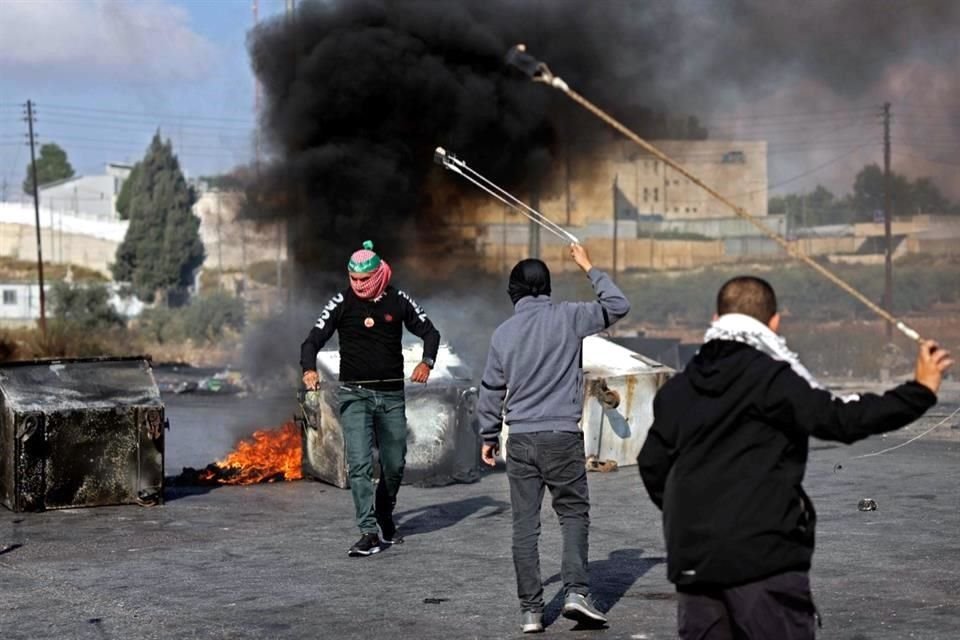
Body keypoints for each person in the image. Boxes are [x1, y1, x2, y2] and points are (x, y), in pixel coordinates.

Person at [637, 275, 952, 640]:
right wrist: (919, 391)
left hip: (694, 563)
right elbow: (841, 419)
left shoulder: (679, 389)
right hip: (764, 559)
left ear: (715, 319)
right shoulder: (772, 380)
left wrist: (695, 515)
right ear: (774, 323)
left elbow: (652, 465)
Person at [477, 243, 630, 634]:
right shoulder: (570, 317)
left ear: (513, 293)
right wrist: (588, 266)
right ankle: (576, 592)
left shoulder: (503, 334)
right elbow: (618, 304)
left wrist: (488, 435)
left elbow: (491, 388)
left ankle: (531, 612)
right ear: (546, 288)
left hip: (522, 441)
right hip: (561, 436)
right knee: (573, 514)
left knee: (524, 526)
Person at [300, 240, 440, 558]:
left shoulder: (398, 300)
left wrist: (426, 362)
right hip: (355, 396)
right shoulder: (342, 302)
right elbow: (312, 340)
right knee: (360, 464)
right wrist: (309, 369)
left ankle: (384, 513)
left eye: (365, 279)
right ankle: (368, 530)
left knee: (394, 464)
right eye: (353, 278)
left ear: (378, 274)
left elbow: (430, 332)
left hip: (391, 396)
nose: (358, 285)